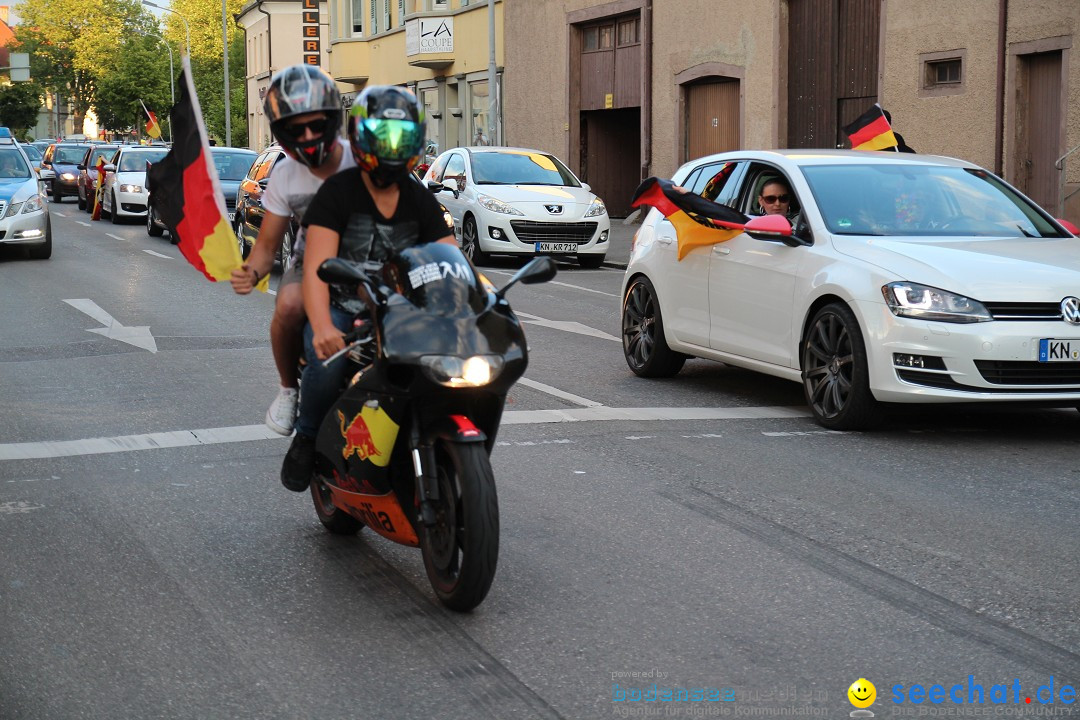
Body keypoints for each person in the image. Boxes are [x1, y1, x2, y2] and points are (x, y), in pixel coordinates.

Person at [280, 85, 457, 492]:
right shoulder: (338, 194)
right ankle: (307, 436)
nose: (393, 148)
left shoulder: (419, 197)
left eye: (403, 138)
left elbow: (452, 261)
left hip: (403, 310)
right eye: (383, 137)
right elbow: (316, 268)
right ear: (361, 137)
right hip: (344, 307)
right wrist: (323, 326)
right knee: (327, 364)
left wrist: (480, 304)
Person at [229, 64, 356, 436]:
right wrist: (252, 271)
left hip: (372, 256)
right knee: (287, 305)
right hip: (311, 262)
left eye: (317, 125)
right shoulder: (284, 174)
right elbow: (268, 245)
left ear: (334, 121)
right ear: (281, 133)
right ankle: (288, 390)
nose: (308, 136)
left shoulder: (360, 159)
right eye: (295, 129)